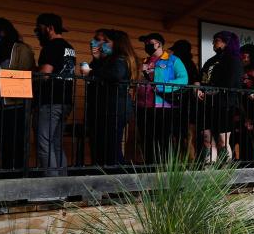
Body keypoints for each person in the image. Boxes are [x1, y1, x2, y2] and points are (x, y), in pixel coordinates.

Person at [0, 18, 35, 172]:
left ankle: (12, 184)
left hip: (14, 107)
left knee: (12, 149)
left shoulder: (22, 50)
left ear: (2, 32)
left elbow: (21, 83)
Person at [82, 29, 137, 166]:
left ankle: (116, 179)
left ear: (116, 44)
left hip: (114, 109)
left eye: (106, 41)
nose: (100, 44)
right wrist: (95, 60)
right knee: (101, 146)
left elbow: (115, 75)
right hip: (105, 108)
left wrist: (91, 72)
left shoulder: (120, 59)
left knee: (111, 147)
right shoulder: (107, 59)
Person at [136, 32, 188, 165]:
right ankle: (149, 168)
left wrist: (163, 87)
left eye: (149, 43)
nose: (146, 45)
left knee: (163, 140)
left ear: (158, 44)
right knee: (147, 139)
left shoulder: (172, 59)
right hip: (144, 106)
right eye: (145, 43)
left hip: (164, 106)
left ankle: (164, 171)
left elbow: (183, 79)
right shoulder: (145, 61)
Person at [34, 13, 76, 176]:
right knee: (56, 144)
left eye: (39, 28)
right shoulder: (69, 47)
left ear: (49, 28)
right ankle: (63, 186)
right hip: (65, 101)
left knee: (44, 143)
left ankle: (52, 188)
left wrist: (31, 75)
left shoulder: (51, 47)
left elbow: (45, 74)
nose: (38, 32)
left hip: (50, 101)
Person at [198, 31, 243, 162]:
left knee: (223, 140)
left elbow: (232, 83)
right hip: (206, 104)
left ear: (226, 42)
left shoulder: (234, 60)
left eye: (216, 40)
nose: (213, 43)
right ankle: (210, 170)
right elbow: (200, 78)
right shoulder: (210, 61)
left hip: (225, 104)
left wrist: (212, 91)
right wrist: (198, 89)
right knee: (207, 139)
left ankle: (225, 172)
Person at [168, 39, 201, 157]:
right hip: (188, 103)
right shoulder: (191, 64)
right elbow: (197, 83)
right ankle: (188, 161)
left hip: (180, 103)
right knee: (186, 135)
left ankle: (186, 160)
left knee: (182, 135)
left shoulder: (176, 63)